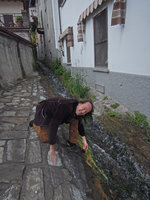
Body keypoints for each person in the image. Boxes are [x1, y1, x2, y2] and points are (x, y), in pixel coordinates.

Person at [30, 97, 93, 164]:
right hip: (44, 112)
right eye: (84, 108)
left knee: (75, 121)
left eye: (85, 112)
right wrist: (52, 149)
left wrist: (84, 139)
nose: (83, 112)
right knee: (45, 139)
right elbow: (54, 126)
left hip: (56, 115)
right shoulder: (64, 106)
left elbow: (79, 123)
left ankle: (72, 142)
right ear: (80, 103)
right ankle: (34, 123)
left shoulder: (77, 109)